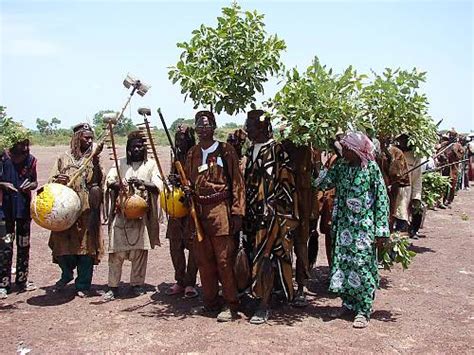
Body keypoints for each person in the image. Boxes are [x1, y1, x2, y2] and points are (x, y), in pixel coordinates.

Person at [313, 131, 390, 328]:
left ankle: (363, 309)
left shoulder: (371, 169)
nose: (344, 152)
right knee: (344, 264)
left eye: (347, 149)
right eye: (343, 149)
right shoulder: (341, 166)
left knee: (362, 265)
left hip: (363, 228)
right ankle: (348, 304)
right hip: (343, 226)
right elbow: (322, 183)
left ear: (357, 150)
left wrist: (381, 230)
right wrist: (319, 166)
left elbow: (382, 199)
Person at [185, 111, 245, 322]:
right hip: (198, 212)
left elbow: (237, 182)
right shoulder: (192, 153)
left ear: (213, 127)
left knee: (224, 260)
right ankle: (210, 302)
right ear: (195, 129)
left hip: (220, 209)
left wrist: (237, 212)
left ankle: (231, 305)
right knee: (204, 260)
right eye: (199, 125)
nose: (203, 128)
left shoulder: (226, 151)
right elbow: (189, 181)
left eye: (207, 124)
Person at [243, 110, 299, 324]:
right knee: (252, 255)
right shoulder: (250, 150)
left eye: (250, 126)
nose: (247, 129)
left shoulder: (276, 150)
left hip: (271, 216)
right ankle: (257, 294)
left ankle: (264, 305)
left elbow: (286, 182)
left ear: (263, 128)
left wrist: (275, 205)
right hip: (251, 213)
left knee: (267, 256)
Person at [103, 131, 162, 301]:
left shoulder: (151, 165)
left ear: (144, 147)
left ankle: (137, 284)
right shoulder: (119, 163)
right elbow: (109, 181)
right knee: (115, 252)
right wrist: (118, 184)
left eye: (140, 146)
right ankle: (112, 287)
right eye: (134, 146)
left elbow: (157, 186)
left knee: (140, 253)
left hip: (140, 215)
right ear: (128, 148)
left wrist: (142, 183)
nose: (137, 149)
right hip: (121, 214)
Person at [48, 123, 104, 297]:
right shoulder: (63, 158)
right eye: (85, 137)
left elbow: (96, 183)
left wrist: (95, 162)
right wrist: (59, 179)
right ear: (76, 138)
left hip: (85, 209)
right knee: (62, 243)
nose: (89, 141)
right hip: (64, 208)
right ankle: (66, 274)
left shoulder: (92, 159)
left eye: (91, 138)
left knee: (86, 247)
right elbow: (50, 182)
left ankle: (83, 284)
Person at [0, 131, 38, 299]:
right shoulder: (3, 159)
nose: (24, 147)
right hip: (5, 210)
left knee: (24, 245)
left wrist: (31, 185)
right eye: (20, 144)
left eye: (26, 144)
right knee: (5, 248)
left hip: (23, 209)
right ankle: (3, 284)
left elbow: (35, 182)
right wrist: (3, 184)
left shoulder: (31, 160)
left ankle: (22, 280)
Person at [165, 124, 199, 299]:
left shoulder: (197, 155)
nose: (179, 142)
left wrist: (189, 184)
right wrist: (172, 180)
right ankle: (180, 280)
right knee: (175, 244)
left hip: (192, 204)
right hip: (176, 205)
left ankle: (191, 282)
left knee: (193, 245)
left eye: (182, 139)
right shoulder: (175, 157)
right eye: (177, 138)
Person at [393, 134, 423, 239]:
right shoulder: (393, 152)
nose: (403, 141)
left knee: (403, 215)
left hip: (406, 192)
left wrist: (416, 197)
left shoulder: (415, 156)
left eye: (406, 139)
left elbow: (417, 178)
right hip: (392, 190)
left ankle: (409, 232)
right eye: (401, 139)